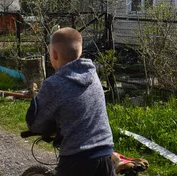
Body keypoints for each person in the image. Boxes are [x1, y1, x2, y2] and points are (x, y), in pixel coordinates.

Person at [26, 27, 115, 176]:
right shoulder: (93, 75)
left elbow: (35, 124)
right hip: (105, 154)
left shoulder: (53, 84)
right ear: (79, 52)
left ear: (54, 54)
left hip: (77, 160)